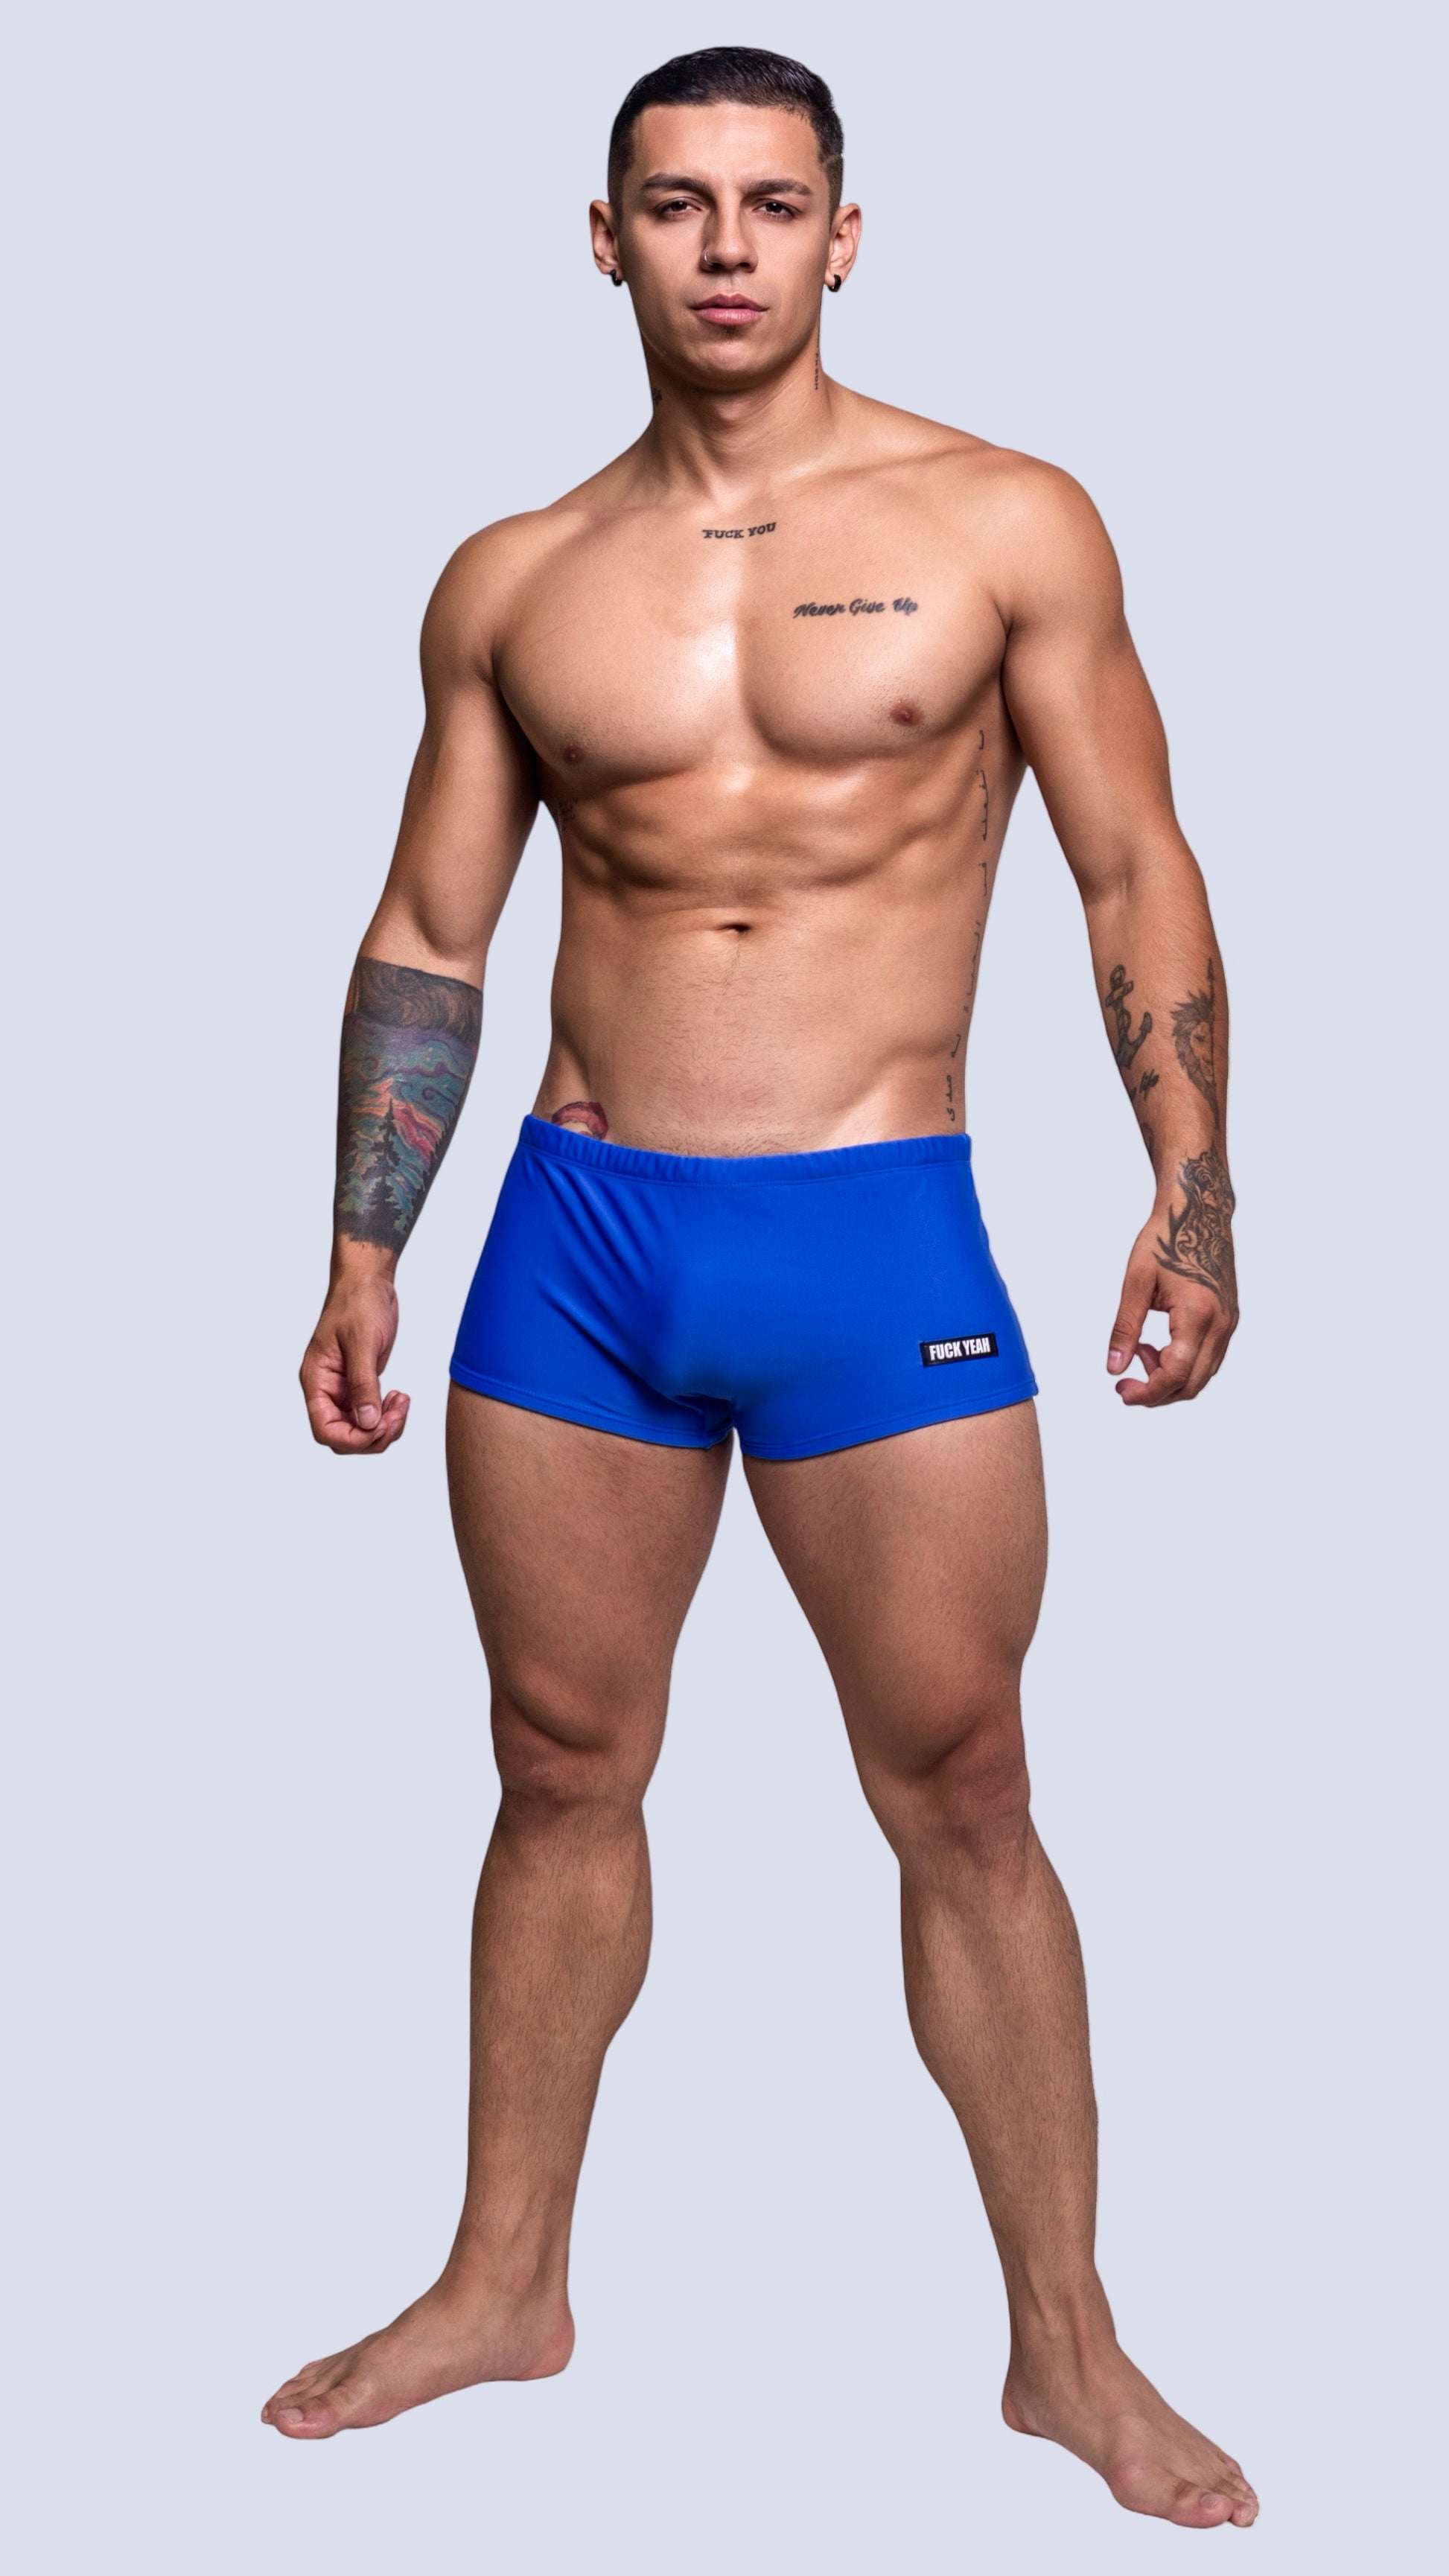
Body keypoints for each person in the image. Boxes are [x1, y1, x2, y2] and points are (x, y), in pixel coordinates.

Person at [262, 45, 1255, 2531]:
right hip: (577, 1238)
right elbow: (431, 928)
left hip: (867, 1225)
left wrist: (1193, 1178)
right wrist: (366, 1239)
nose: (726, 247)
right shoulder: (513, 579)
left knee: (965, 1788)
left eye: (773, 204)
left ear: (844, 236)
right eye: (678, 204)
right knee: (554, 1764)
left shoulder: (1000, 520)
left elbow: (1131, 865)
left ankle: (1065, 2347)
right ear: (602, 238)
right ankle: (503, 2278)